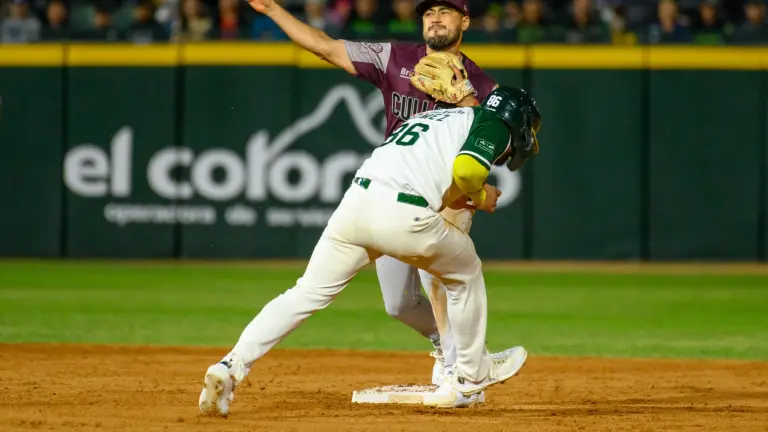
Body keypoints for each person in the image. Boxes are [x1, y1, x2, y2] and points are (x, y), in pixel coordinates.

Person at [199, 85, 541, 415]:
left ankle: (229, 366)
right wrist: (480, 196)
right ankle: (472, 372)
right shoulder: (495, 122)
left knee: (304, 293)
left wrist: (471, 197)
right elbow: (467, 170)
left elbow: (437, 182)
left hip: (356, 205)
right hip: (402, 211)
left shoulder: (435, 120)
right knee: (465, 273)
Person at [239, 0, 502, 404]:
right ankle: (452, 347)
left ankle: (459, 375)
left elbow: (495, 150)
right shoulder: (395, 57)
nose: (434, 17)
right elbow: (326, 48)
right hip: (397, 192)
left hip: (447, 194)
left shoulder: (483, 87)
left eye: (445, 11)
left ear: (464, 21)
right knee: (398, 304)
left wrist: (465, 97)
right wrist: (274, 11)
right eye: (429, 11)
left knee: (443, 279)